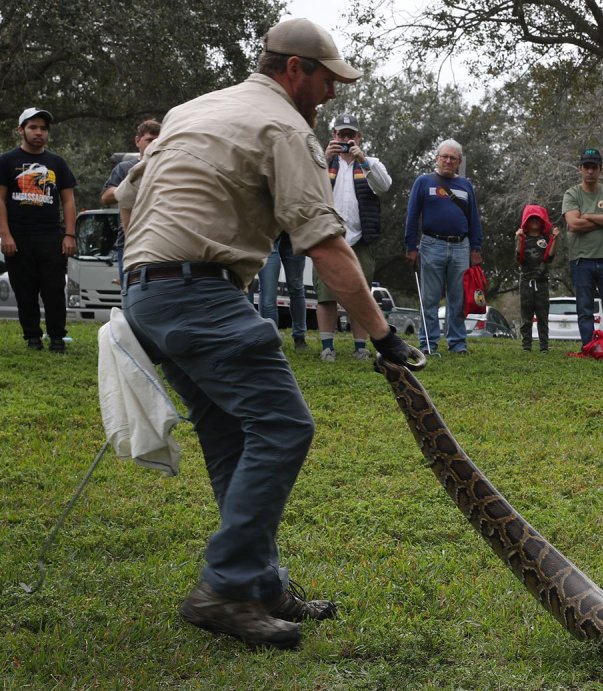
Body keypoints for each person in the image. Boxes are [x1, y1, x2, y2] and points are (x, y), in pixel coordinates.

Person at [120, 17, 417, 650]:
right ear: (293, 70)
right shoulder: (283, 125)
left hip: (148, 292)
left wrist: (147, 266)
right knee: (284, 425)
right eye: (327, 80)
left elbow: (128, 193)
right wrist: (383, 336)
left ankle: (257, 584)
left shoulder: (192, 109)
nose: (332, 95)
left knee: (232, 433)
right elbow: (326, 245)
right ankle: (225, 585)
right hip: (198, 291)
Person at [0, 108, 78, 352]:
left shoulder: (57, 163)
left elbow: (68, 200)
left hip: (50, 236)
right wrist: (6, 235)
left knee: (54, 289)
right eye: (33, 127)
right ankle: (32, 337)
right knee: (25, 290)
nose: (39, 132)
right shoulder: (7, 161)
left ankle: (57, 338)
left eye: (43, 128)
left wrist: (69, 234)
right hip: (18, 236)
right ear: (21, 130)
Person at [316, 113, 392, 361]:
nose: (346, 139)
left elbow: (383, 186)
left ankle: (360, 347)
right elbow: (307, 186)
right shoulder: (321, 161)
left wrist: (364, 161)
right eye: (341, 134)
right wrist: (324, 159)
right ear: (334, 136)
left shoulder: (371, 162)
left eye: (350, 134)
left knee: (361, 295)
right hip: (328, 237)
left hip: (362, 239)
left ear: (359, 137)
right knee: (326, 295)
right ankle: (327, 347)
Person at [405, 138, 483, 355]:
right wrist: (411, 246)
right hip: (431, 245)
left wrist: (476, 247)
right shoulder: (423, 182)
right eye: (444, 157)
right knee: (429, 299)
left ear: (459, 161)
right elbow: (412, 215)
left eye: (453, 158)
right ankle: (428, 344)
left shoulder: (466, 185)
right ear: (437, 158)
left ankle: (457, 344)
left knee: (457, 299)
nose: (448, 161)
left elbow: (474, 218)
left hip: (461, 247)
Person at [562, 148, 603, 357]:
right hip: (581, 260)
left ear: (601, 170)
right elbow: (573, 224)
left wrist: (588, 215)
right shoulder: (572, 193)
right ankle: (589, 349)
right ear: (580, 169)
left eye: (594, 167)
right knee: (585, 310)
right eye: (586, 167)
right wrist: (602, 218)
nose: (590, 171)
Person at [101, 119, 161, 287]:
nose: (154, 144)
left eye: (159, 140)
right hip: (129, 243)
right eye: (149, 140)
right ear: (137, 141)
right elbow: (106, 197)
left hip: (161, 241)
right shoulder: (124, 168)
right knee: (130, 292)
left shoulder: (168, 166)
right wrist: (130, 185)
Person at [515, 204, 558, 352]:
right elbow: (518, 258)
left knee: (542, 316)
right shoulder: (523, 238)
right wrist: (519, 240)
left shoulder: (545, 239)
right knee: (526, 316)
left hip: (542, 283)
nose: (534, 221)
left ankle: (544, 347)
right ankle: (526, 346)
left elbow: (549, 257)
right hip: (526, 282)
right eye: (531, 218)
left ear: (542, 221)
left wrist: (554, 239)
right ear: (526, 221)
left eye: (537, 219)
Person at [257, 232, 309, 349]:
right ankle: (270, 341)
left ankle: (299, 337)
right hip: (269, 238)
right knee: (268, 293)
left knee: (296, 289)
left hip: (293, 237)